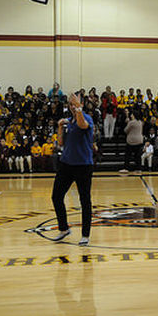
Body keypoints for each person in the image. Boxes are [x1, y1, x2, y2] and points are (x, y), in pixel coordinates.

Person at [50, 93, 95, 246]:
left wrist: (79, 109)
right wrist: (59, 127)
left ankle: (85, 235)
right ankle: (63, 229)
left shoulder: (86, 118)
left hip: (83, 165)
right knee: (56, 197)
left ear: (80, 104)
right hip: (66, 164)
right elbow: (61, 143)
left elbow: (83, 125)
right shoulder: (69, 122)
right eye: (70, 104)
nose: (72, 106)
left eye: (74, 104)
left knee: (85, 201)